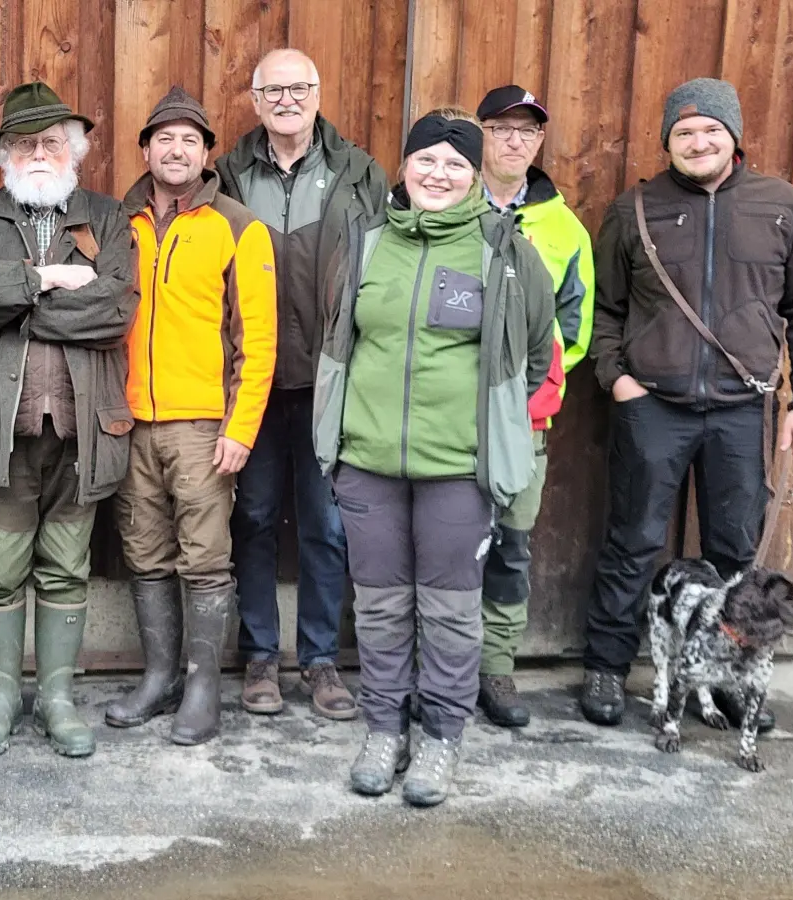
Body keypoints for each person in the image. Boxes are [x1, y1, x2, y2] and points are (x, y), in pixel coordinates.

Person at [314, 112, 556, 806]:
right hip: (368, 462)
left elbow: (538, 347)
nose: (439, 175)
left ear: (476, 174)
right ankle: (384, 730)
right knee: (382, 608)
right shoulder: (365, 245)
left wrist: (495, 433)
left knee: (450, 613)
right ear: (405, 166)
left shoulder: (504, 251)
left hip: (459, 469)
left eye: (456, 164)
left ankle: (443, 738)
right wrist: (333, 440)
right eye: (426, 160)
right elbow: (338, 339)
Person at [581, 78, 793, 727]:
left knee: (732, 551)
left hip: (742, 409)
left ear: (733, 136)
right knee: (632, 541)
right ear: (669, 141)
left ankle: (723, 676)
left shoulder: (782, 207)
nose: (697, 142)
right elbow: (603, 309)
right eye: (684, 133)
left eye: (710, 131)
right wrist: (617, 379)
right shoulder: (635, 209)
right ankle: (608, 668)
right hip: (653, 406)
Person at [0, 81, 139, 759]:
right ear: (5, 155)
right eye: (25, 143)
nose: (39, 153)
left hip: (83, 432)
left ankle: (55, 698)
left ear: (75, 149)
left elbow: (114, 312)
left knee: (65, 567)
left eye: (52, 141)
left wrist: (11, 289)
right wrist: (49, 279)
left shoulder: (107, 218)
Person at [214, 48, 388, 719]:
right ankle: (259, 656)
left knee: (326, 526)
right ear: (255, 101)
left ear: (318, 94)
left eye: (300, 88)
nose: (287, 100)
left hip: (329, 383)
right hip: (252, 386)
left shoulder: (357, 173)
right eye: (274, 90)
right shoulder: (229, 173)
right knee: (252, 520)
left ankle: (320, 662)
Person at [106, 87, 277, 745]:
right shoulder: (115, 222)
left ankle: (203, 686)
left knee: (204, 557)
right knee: (144, 552)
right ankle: (159, 677)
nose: (175, 150)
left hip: (203, 424)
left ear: (207, 154)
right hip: (130, 420)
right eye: (163, 139)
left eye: (190, 140)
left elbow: (256, 340)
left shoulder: (238, 226)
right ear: (146, 149)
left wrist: (240, 429)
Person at [470, 86, 597, 727]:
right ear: (481, 134)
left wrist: (521, 397)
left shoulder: (564, 230)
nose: (514, 140)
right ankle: (435, 669)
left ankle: (496, 669)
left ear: (539, 142)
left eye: (527, 130)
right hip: (446, 422)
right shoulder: (444, 202)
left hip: (523, 424)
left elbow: (573, 336)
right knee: (442, 548)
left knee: (511, 547)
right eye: (501, 127)